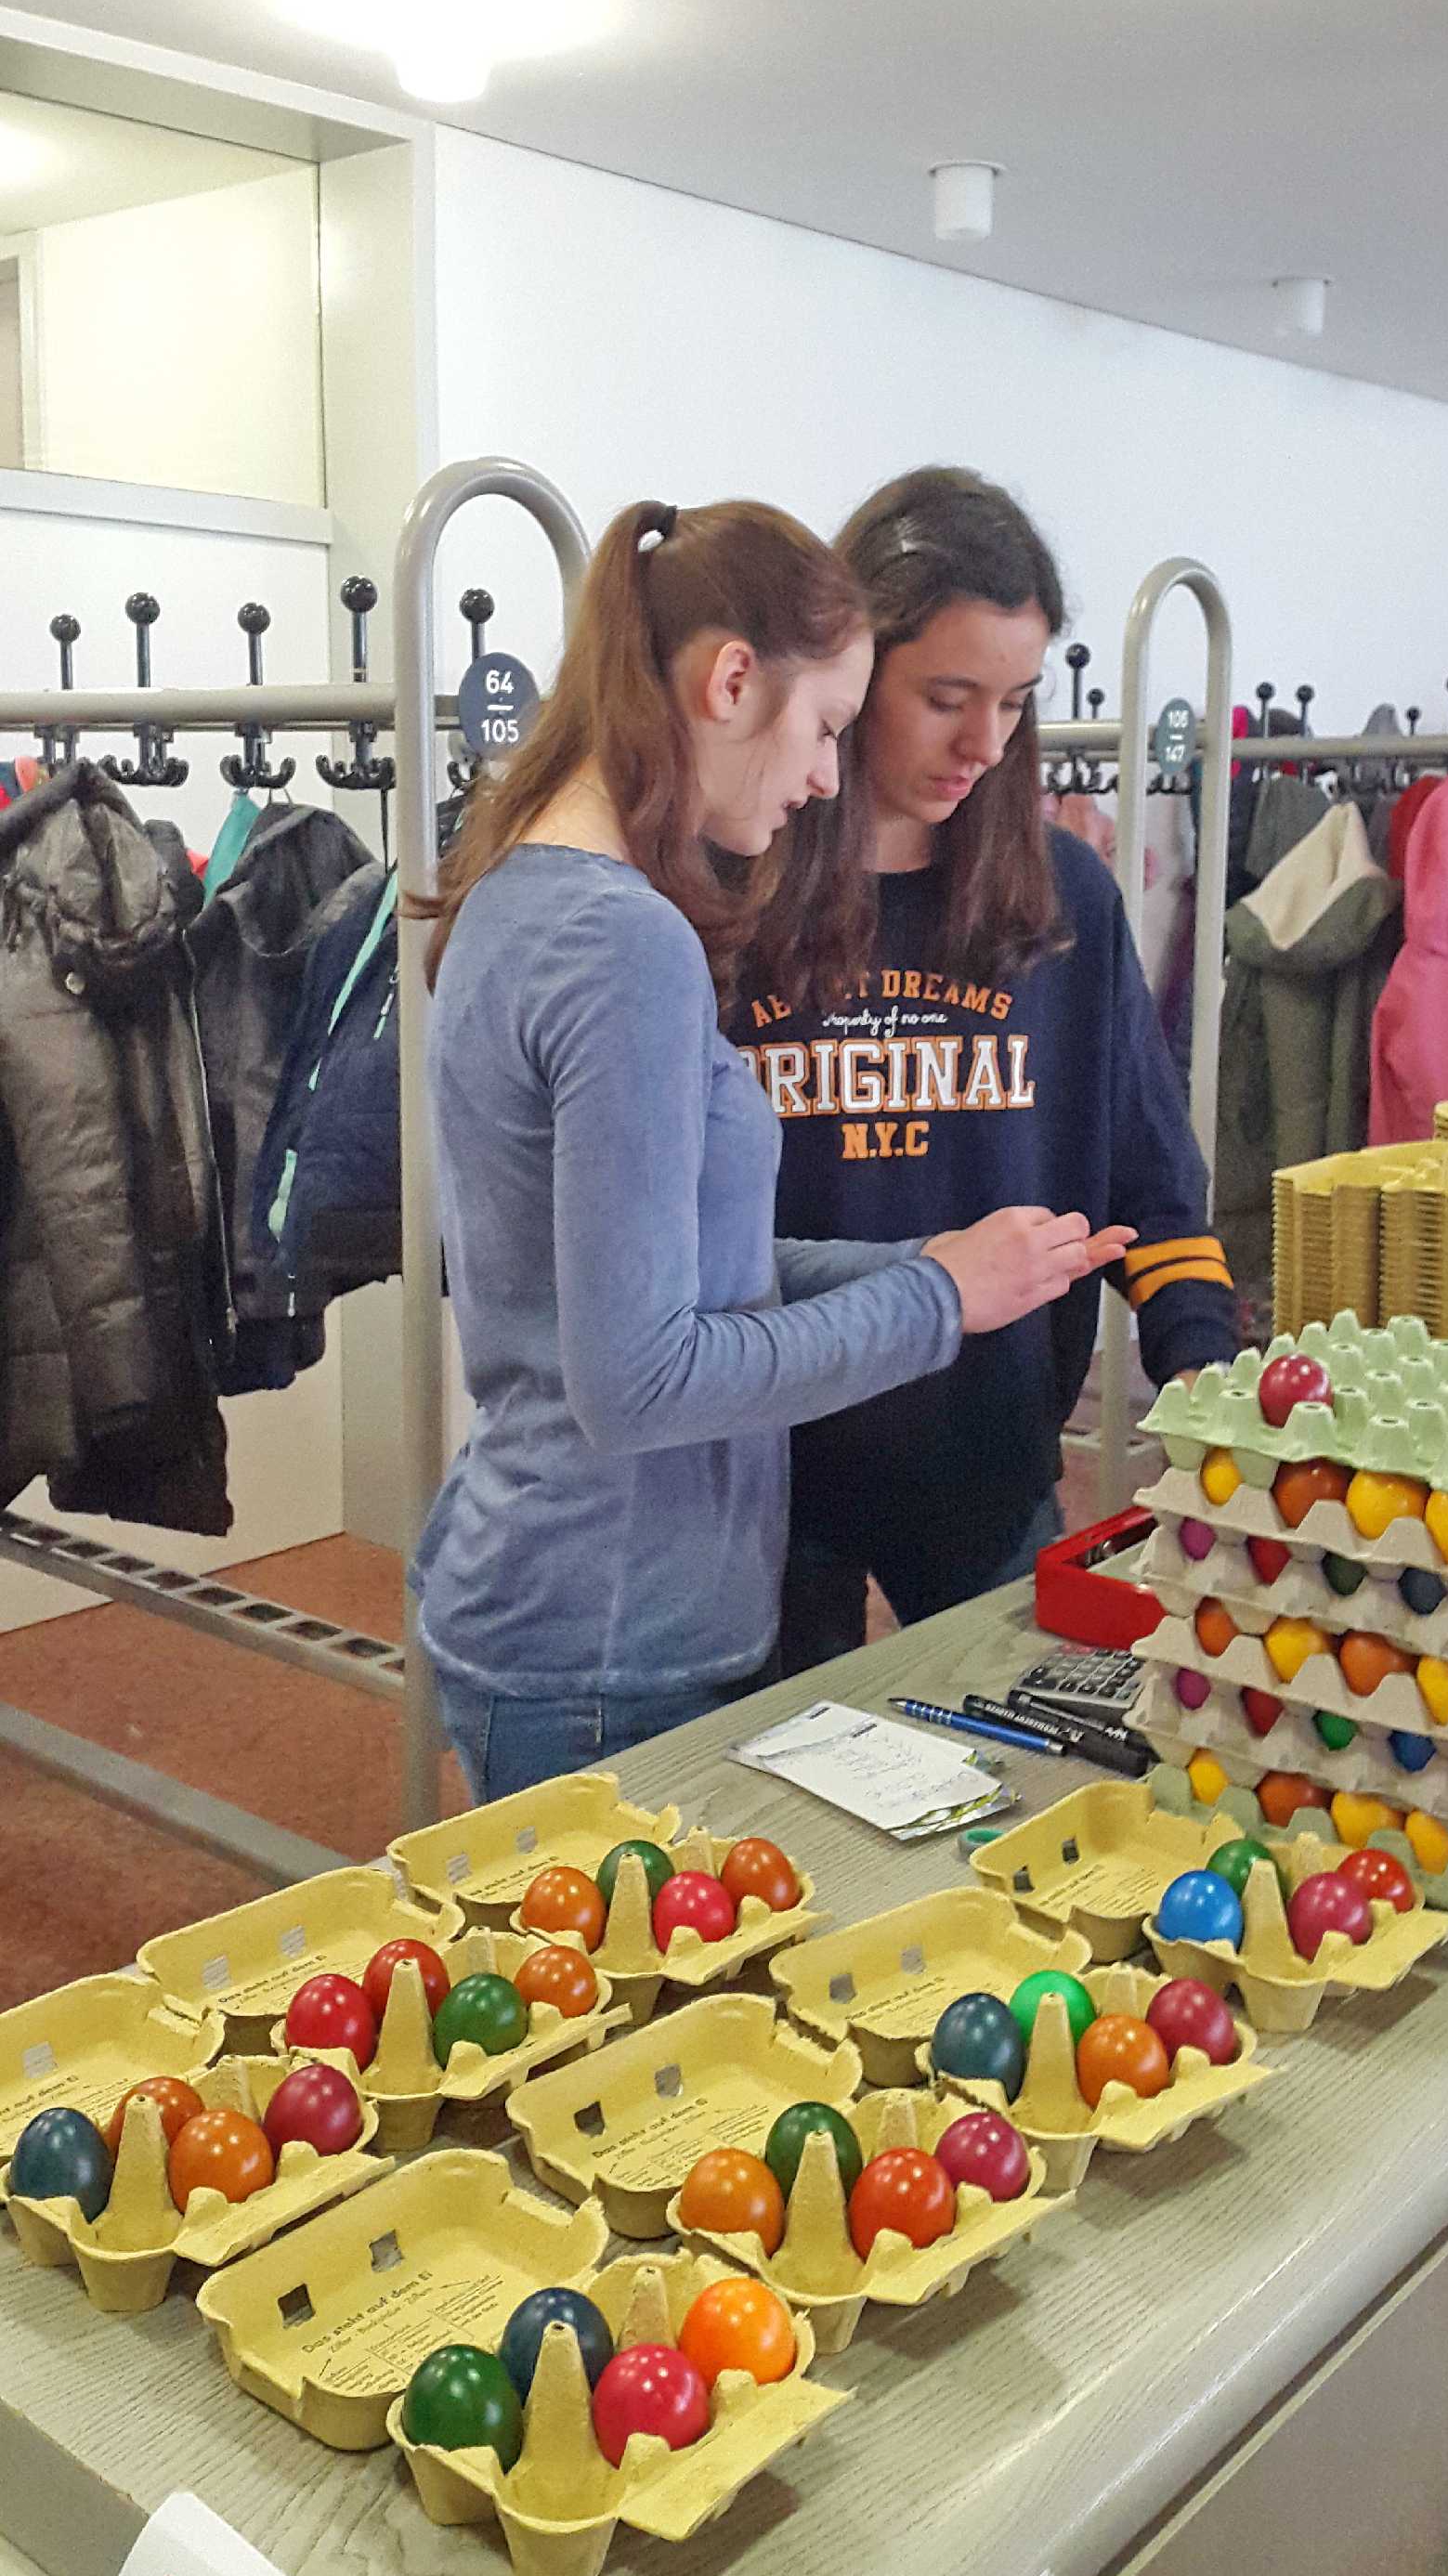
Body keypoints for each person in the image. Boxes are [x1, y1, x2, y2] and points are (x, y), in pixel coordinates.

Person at [411, 495, 1129, 1799]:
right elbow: (642, 1380)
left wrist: (930, 1265)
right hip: (612, 1641)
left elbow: (690, 1273)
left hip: (578, 1606)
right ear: (733, 683)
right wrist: (934, 1299)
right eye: (826, 728)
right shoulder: (623, 943)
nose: (822, 780)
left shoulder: (531, 892)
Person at [734, 466, 1240, 1672]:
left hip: (987, 1455)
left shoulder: (1065, 899)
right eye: (947, 698)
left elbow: (1149, 1183)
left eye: (1015, 702)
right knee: (763, 1782)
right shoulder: (730, 891)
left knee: (1019, 1761)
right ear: (852, 669)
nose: (986, 743)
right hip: (760, 1464)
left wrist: (1214, 1384)